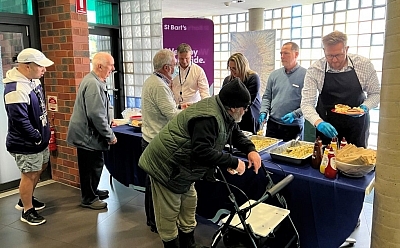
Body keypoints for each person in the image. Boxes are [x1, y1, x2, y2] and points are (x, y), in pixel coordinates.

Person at [139, 78, 262, 248]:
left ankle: (189, 245)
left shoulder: (223, 109)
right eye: (245, 107)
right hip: (166, 166)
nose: (246, 110)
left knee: (189, 205)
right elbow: (202, 151)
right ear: (234, 107)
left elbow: (233, 131)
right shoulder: (209, 117)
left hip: (183, 167)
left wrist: (251, 150)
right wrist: (233, 162)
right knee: (169, 213)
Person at [301, 30, 381, 148]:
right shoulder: (315, 69)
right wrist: (319, 123)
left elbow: (376, 94)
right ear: (324, 51)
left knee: (355, 161)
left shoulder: (363, 65)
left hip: (357, 126)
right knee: (326, 161)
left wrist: (364, 107)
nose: (334, 60)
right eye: (329, 55)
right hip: (326, 124)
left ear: (346, 49)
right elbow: (307, 103)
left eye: (338, 55)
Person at [3, 48, 54, 225]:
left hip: (39, 140)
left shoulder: (32, 80)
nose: (44, 70)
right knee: (29, 174)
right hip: (25, 143)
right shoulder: (15, 89)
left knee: (42, 166)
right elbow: (20, 121)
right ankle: (27, 210)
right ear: (26, 66)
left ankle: (26, 199)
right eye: (41, 66)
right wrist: (37, 137)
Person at [67, 52, 117, 210]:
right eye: (111, 65)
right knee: (90, 166)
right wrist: (109, 135)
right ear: (100, 66)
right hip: (86, 136)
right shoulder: (93, 84)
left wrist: (110, 121)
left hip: (88, 135)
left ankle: (92, 191)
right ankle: (89, 198)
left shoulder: (96, 80)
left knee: (95, 164)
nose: (113, 68)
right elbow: (96, 114)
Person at [141, 49, 184, 233]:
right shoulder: (158, 85)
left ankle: (153, 220)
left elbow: (168, 108)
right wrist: (190, 113)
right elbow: (172, 115)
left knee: (152, 185)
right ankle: (156, 222)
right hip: (156, 142)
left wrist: (181, 106)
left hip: (151, 139)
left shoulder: (154, 81)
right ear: (166, 67)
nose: (176, 67)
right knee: (157, 187)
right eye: (174, 65)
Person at [259, 42, 307, 141]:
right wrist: (263, 111)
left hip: (293, 126)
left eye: (286, 53)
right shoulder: (274, 75)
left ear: (296, 54)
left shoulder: (306, 75)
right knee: (268, 154)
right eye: (281, 53)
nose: (282, 56)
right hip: (273, 125)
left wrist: (295, 114)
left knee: (291, 155)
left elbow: (310, 103)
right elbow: (267, 96)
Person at [223, 52, 261, 134]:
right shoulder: (227, 80)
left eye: (235, 68)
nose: (233, 71)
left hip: (249, 115)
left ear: (242, 67)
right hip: (233, 114)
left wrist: (232, 104)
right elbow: (223, 99)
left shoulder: (253, 77)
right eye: (230, 68)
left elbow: (248, 100)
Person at [171, 43, 210, 108]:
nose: (184, 61)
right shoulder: (172, 69)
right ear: (177, 56)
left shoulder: (198, 70)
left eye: (187, 58)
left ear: (191, 56)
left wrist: (205, 107)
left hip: (192, 107)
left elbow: (204, 92)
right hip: (176, 107)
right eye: (181, 58)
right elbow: (168, 87)